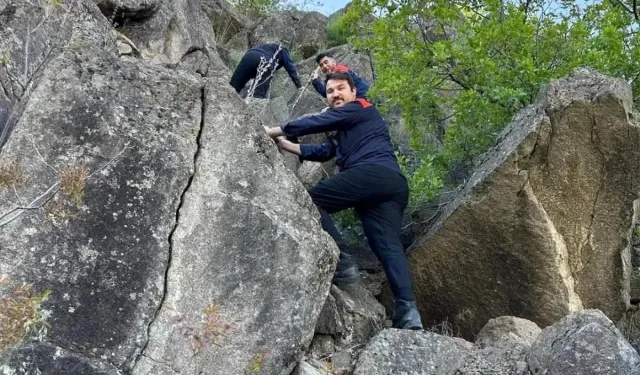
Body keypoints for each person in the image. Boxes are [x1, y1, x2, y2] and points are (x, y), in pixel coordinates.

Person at [264, 72, 422, 330]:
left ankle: (344, 262)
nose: (335, 94)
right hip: (391, 184)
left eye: (340, 89)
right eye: (330, 91)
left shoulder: (360, 107)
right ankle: (408, 313)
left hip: (372, 173)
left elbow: (317, 122)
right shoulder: (348, 126)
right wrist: (285, 144)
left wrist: (273, 131)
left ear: (353, 93)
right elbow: (324, 151)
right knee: (388, 249)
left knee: (310, 201)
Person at [230, 43, 302, 99]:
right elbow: (291, 68)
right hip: (265, 59)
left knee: (233, 89)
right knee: (257, 96)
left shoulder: (267, 47)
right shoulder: (283, 50)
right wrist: (299, 86)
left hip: (249, 55)